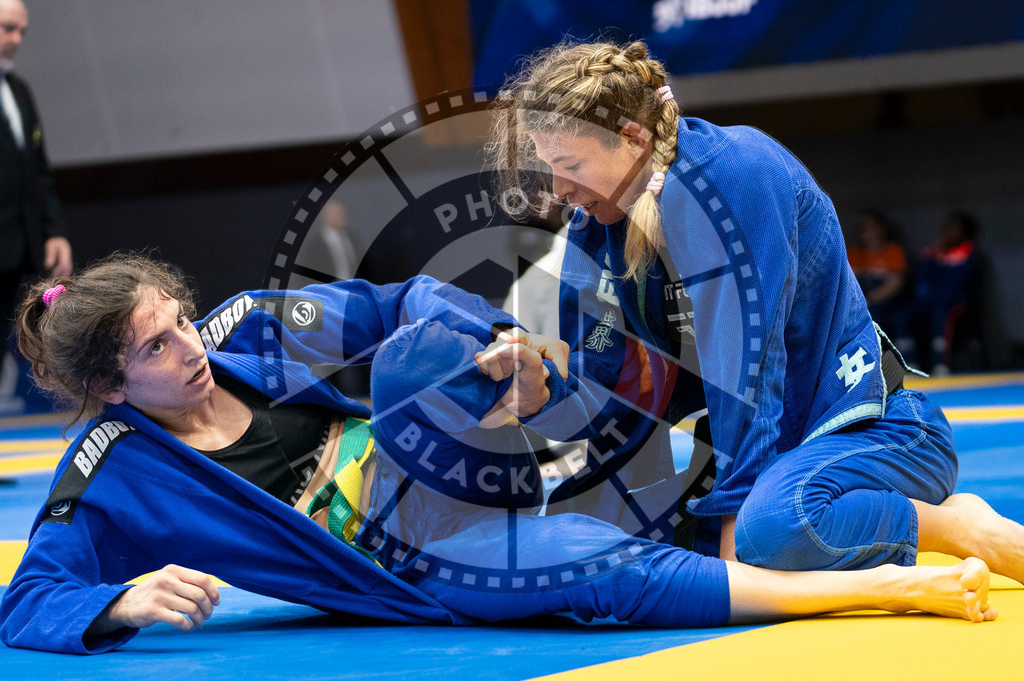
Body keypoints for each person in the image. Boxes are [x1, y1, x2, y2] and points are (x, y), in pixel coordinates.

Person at [0, 252, 999, 654]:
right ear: (108, 388)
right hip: (414, 551)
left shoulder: (248, 326)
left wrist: (497, 337)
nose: (191, 348)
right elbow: (28, 595)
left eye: (180, 320)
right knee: (597, 567)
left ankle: (937, 515)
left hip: (459, 450)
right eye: (157, 350)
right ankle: (879, 582)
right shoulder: (110, 468)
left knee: (423, 359)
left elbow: (401, 301)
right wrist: (117, 601)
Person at [484, 39, 1024, 579]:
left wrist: (733, 547)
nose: (558, 189)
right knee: (576, 537)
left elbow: (749, 372)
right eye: (550, 167)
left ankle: (952, 525)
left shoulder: (733, 174)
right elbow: (611, 390)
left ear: (631, 137)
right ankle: (786, 526)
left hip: (873, 435)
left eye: (571, 165)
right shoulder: (596, 227)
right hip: (768, 462)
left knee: (768, 531)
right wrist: (544, 389)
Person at [0, 0, 71, 406]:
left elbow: (38, 171)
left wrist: (54, 231)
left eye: (21, 31)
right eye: (7, 28)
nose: (16, 39)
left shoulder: (18, 90)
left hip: (15, 247)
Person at [913, 210, 985, 374]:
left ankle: (940, 363)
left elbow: (961, 282)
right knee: (903, 315)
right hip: (931, 301)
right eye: (948, 228)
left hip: (956, 301)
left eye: (955, 228)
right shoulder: (936, 252)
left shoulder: (969, 252)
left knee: (941, 313)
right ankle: (910, 363)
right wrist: (933, 253)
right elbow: (922, 277)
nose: (950, 232)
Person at [846, 209, 912, 356]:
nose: (866, 231)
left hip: (885, 301)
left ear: (881, 228)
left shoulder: (893, 251)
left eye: (870, 226)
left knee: (898, 318)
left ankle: (906, 360)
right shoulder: (853, 253)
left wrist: (870, 299)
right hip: (859, 301)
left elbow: (896, 283)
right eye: (863, 227)